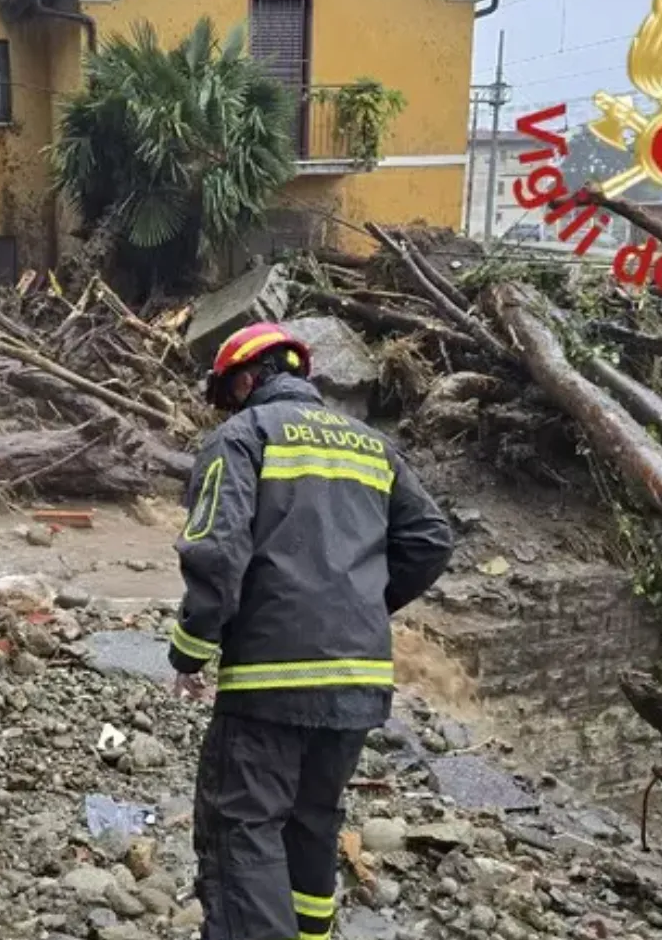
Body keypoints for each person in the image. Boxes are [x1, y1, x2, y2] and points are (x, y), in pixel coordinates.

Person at [170, 321, 453, 940]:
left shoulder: (243, 437)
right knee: (313, 820)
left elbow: (217, 553)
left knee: (241, 829)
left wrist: (189, 653)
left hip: (270, 682)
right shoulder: (369, 444)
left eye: (228, 394)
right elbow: (430, 541)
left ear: (245, 380)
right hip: (358, 682)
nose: (228, 407)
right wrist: (361, 603)